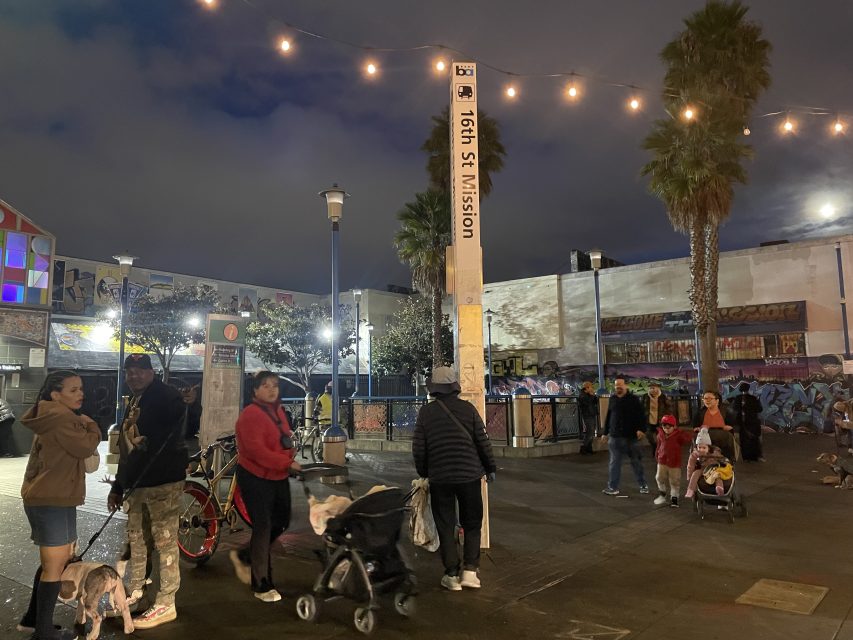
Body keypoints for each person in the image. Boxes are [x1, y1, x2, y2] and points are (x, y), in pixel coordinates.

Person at [107, 354, 188, 630]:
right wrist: (118, 487)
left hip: (161, 484)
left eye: (140, 371)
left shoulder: (166, 396)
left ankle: (166, 603)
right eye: (129, 372)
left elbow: (181, 417)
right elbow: (125, 451)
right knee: (137, 540)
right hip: (136, 485)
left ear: (151, 373)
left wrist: (189, 402)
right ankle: (135, 593)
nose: (134, 376)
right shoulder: (133, 403)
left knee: (165, 542)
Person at [19, 370, 101, 640]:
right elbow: (85, 447)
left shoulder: (52, 415)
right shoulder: (60, 416)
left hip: (55, 497)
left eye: (81, 388)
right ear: (55, 394)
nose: (81, 394)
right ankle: (42, 632)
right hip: (52, 499)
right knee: (54, 566)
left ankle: (33, 620)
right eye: (73, 390)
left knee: (53, 563)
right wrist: (93, 426)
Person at [412, 366, 496, 591]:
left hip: (440, 477)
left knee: (445, 524)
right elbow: (483, 442)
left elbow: (419, 448)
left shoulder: (426, 413)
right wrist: (491, 467)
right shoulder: (468, 409)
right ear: (454, 387)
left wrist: (424, 472)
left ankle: (450, 574)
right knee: (471, 523)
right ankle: (470, 571)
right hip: (469, 475)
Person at [230, 371, 301, 602]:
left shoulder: (278, 411)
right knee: (263, 525)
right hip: (255, 476)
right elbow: (256, 451)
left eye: (275, 386)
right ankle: (261, 583)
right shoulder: (250, 415)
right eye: (265, 385)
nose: (272, 390)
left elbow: (285, 439)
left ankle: (245, 555)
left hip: (277, 476)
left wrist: (288, 457)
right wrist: (287, 463)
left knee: (282, 521)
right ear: (255, 390)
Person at [601, 378, 649, 496]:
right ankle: (613, 487)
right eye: (616, 385)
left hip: (631, 437)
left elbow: (642, 416)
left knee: (636, 462)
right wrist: (604, 432)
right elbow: (609, 417)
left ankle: (643, 484)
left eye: (620, 385)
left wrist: (642, 429)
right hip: (615, 437)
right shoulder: (612, 399)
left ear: (626, 386)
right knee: (614, 463)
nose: (618, 387)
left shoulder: (634, 400)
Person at [653, 414, 693, 507]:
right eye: (664, 426)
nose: (667, 428)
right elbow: (659, 446)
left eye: (669, 426)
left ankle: (674, 497)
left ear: (674, 426)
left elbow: (687, 439)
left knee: (674, 480)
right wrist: (657, 455)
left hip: (675, 463)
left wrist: (686, 434)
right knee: (659, 477)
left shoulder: (678, 435)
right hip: (662, 461)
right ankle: (662, 494)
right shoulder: (660, 434)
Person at [692, 390, 735, 460]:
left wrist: (729, 427)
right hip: (705, 441)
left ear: (717, 400)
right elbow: (695, 426)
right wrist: (697, 428)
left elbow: (731, 425)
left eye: (710, 398)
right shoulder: (700, 412)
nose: (707, 400)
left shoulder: (726, 411)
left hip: (723, 439)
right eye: (705, 398)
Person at [685, 427, 728, 498]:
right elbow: (690, 465)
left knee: (717, 475)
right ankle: (691, 490)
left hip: (713, 468)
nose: (701, 449)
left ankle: (719, 488)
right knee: (695, 474)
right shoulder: (695, 454)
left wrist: (724, 462)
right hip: (702, 469)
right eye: (699, 447)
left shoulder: (714, 452)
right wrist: (689, 476)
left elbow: (721, 458)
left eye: (704, 448)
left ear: (709, 447)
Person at [728, 382, 764, 461]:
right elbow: (759, 409)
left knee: (744, 440)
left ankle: (746, 457)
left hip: (742, 422)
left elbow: (735, 409)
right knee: (755, 439)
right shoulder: (753, 398)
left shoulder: (737, 398)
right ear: (748, 389)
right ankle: (756, 456)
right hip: (753, 421)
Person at [642, 382, 671, 451]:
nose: (652, 390)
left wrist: (668, 418)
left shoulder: (663, 397)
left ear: (658, 389)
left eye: (654, 388)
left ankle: (659, 450)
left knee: (660, 436)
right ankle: (654, 446)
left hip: (660, 419)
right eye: (651, 388)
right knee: (648, 434)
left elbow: (668, 407)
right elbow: (641, 407)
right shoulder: (645, 396)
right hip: (648, 419)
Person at [577, 381, 599, 455]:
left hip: (592, 414)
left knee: (592, 432)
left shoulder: (589, 394)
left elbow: (596, 402)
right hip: (587, 415)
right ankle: (583, 448)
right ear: (587, 387)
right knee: (590, 432)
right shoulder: (582, 395)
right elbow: (587, 402)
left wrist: (593, 395)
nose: (592, 388)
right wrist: (592, 395)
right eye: (591, 386)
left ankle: (589, 449)